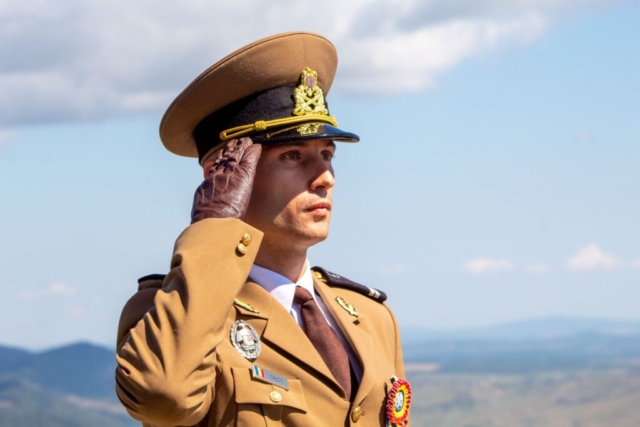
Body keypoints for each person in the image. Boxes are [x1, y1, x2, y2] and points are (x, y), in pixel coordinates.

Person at [115, 32, 411, 427]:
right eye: (293, 156)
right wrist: (216, 222)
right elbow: (163, 399)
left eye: (327, 155)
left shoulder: (372, 318)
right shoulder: (173, 315)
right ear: (225, 176)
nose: (325, 177)